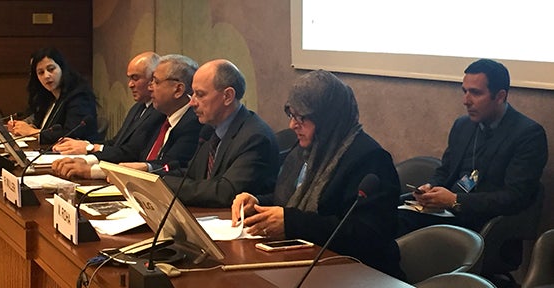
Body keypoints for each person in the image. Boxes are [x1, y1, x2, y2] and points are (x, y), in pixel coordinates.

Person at [230, 70, 404, 279]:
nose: (292, 125)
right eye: (291, 115)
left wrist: (292, 222)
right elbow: (292, 200)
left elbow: (366, 234)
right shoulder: (306, 151)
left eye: (301, 117)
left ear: (327, 119)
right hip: (307, 266)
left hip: (359, 276)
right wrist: (256, 204)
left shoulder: (370, 159)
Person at [397, 59, 548, 236]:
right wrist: (431, 187)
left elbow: (515, 197)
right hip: (443, 212)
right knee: (384, 214)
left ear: (500, 96)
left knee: (396, 224)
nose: (466, 101)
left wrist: (454, 200)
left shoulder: (528, 134)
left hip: (481, 223)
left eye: (475, 93)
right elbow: (445, 170)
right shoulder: (463, 125)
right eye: (464, 91)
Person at [52, 54, 202, 179]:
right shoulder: (163, 115)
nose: (150, 87)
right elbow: (137, 156)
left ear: (178, 90)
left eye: (155, 82)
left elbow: (163, 167)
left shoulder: (192, 123)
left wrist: (94, 169)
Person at [162, 59, 279, 208]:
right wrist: (154, 179)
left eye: (200, 94)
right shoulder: (210, 130)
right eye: (193, 94)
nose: (192, 102)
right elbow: (192, 175)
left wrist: (166, 184)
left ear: (228, 96)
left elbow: (225, 192)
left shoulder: (255, 137)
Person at [51, 52, 164, 162]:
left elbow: (132, 154)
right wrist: (86, 144)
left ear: (153, 79)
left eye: (135, 78)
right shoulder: (137, 108)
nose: (130, 85)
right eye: (129, 78)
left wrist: (89, 148)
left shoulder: (160, 111)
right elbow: (116, 143)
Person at [8, 47, 99, 144]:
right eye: (41, 72)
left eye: (51, 69)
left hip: (76, 155)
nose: (46, 76)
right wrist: (24, 127)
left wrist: (32, 132)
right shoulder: (49, 97)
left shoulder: (79, 97)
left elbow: (72, 134)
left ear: (62, 68)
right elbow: (43, 127)